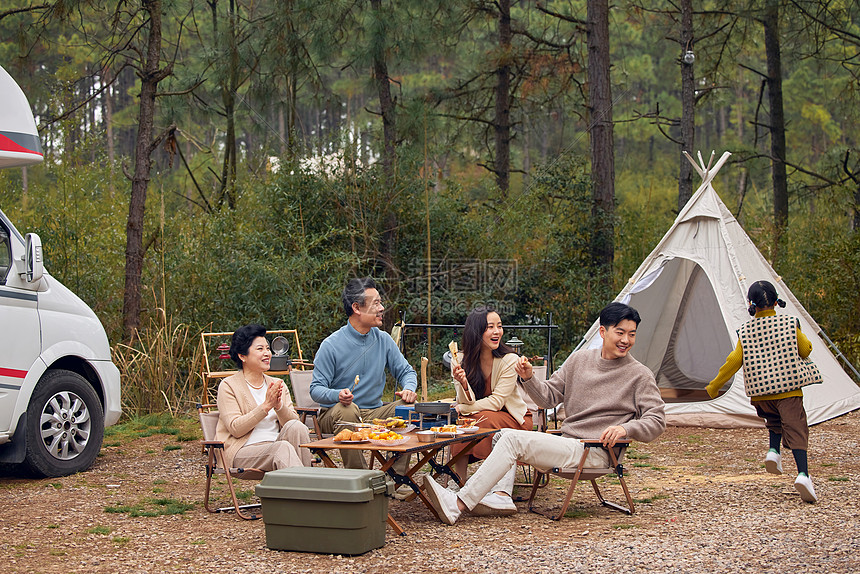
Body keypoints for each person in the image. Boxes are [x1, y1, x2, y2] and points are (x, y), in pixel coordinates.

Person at [423, 302, 666, 524]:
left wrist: (626, 428)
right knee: (503, 435)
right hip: (569, 444)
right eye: (620, 333)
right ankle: (501, 495)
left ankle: (457, 504)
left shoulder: (639, 374)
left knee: (511, 437)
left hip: (595, 451)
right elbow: (548, 397)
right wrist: (528, 378)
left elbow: (656, 420)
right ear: (603, 332)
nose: (626, 340)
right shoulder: (579, 360)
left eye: (631, 334)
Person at [705, 280, 817, 503]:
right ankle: (803, 475)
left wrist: (714, 385)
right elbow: (805, 349)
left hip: (761, 396)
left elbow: (734, 361)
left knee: (774, 422)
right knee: (796, 429)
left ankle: (773, 452)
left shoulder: (745, 331)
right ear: (776, 301)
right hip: (788, 391)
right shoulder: (788, 323)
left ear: (751, 304)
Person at [310, 277, 418, 469]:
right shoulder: (331, 345)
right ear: (357, 308)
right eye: (376, 303)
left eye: (380, 302)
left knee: (409, 408)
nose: (382, 308)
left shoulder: (383, 340)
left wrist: (409, 389)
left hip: (374, 412)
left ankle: (396, 478)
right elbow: (316, 389)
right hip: (336, 414)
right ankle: (359, 479)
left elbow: (406, 371)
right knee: (348, 409)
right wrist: (337, 395)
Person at [450, 307, 531, 483]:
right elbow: (465, 400)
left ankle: (490, 484)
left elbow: (496, 402)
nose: (497, 332)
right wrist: (463, 384)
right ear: (476, 331)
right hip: (478, 415)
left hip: (514, 419)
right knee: (463, 422)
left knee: (475, 418)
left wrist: (462, 408)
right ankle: (457, 482)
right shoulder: (459, 360)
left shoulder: (509, 360)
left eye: (499, 326)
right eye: (490, 327)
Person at [216, 324, 312, 470]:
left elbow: (294, 426)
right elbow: (236, 429)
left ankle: (304, 486)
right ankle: (309, 488)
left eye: (267, 348)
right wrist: (266, 406)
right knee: (282, 448)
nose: (267, 353)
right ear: (242, 356)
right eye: (260, 349)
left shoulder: (276, 384)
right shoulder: (228, 386)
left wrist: (279, 406)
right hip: (243, 451)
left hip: (277, 445)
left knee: (296, 426)